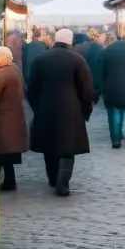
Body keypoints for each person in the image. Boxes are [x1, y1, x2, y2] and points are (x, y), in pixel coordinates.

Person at [26, 28, 96, 197]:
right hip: (71, 111)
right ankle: (63, 183)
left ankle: (52, 178)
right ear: (70, 42)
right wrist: (86, 110)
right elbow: (86, 90)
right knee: (67, 147)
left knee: (49, 147)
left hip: (45, 109)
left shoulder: (40, 59)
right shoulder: (77, 60)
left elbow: (31, 89)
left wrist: (37, 107)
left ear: (55, 40)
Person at [0, 46, 28, 191]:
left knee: (0, 153)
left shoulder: (1, 75)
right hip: (12, 119)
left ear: (1, 60)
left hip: (3, 122)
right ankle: (9, 181)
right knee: (4, 154)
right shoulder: (14, 70)